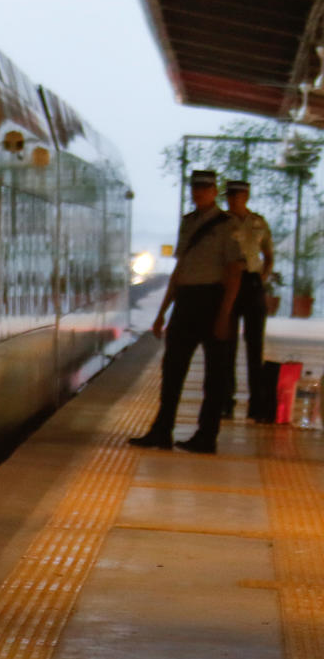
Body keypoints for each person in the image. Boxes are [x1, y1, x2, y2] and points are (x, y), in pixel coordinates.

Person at [129, 169, 242, 453]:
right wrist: (162, 311)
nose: (198, 193)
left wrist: (225, 314)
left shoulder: (228, 225)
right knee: (172, 368)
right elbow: (180, 269)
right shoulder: (188, 223)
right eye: (195, 188)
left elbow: (234, 271)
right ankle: (161, 430)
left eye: (204, 188)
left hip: (213, 300)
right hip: (187, 300)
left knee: (215, 375)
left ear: (215, 191)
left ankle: (207, 436)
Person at [225, 178, 276, 423]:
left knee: (255, 345)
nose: (235, 199)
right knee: (227, 344)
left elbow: (268, 255)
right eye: (231, 196)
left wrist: (262, 279)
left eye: (239, 195)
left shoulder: (258, 222)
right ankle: (226, 400)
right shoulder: (222, 223)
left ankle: (256, 403)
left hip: (252, 283)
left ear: (247, 196)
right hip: (229, 283)